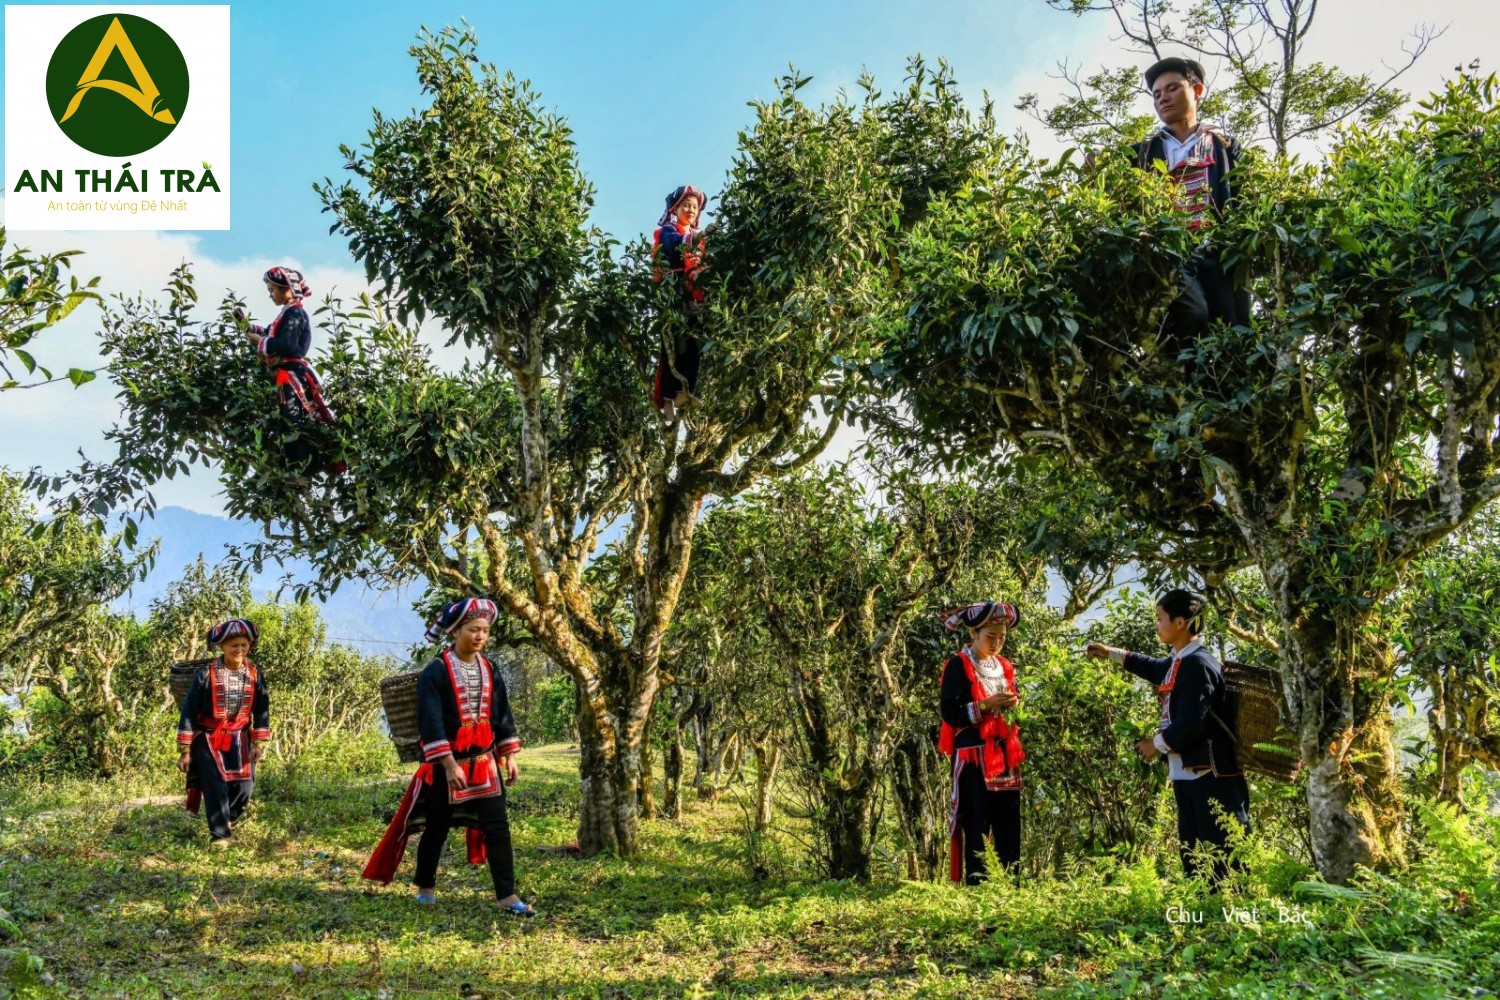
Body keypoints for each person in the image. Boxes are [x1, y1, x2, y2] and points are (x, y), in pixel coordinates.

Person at [363, 598, 532, 915]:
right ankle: (426, 885)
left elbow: (501, 714)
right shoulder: (435, 673)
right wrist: (449, 763)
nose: (480, 636)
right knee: (436, 827)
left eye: (484, 630)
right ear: (455, 631)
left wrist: (509, 755)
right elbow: (431, 721)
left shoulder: (490, 669)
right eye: (473, 629)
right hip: (446, 766)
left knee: (497, 827)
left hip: (484, 764)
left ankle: (507, 895)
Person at [1086, 588, 1250, 886]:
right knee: (1194, 853)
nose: (1157, 624)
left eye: (1160, 618)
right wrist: (1110, 653)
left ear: (1180, 622)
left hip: (1212, 775)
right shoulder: (1181, 661)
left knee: (1222, 854)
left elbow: (1191, 723)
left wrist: (1156, 745)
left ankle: (1233, 917)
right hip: (1191, 774)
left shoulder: (1198, 664)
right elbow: (1154, 667)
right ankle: (1204, 920)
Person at [1134, 56, 1251, 350]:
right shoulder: (1144, 152)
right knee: (1191, 313)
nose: (1163, 98)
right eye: (1157, 94)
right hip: (1172, 254)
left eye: (1172, 88)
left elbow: (1247, 194)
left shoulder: (1224, 146)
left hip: (1219, 252)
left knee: (1234, 333)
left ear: (1197, 91)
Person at [938, 601, 1025, 884]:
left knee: (1008, 822)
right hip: (973, 756)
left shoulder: (1004, 666)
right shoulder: (957, 666)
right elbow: (950, 713)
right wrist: (985, 706)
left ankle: (1011, 885)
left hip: (1004, 755)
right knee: (977, 823)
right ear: (973, 633)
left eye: (1002, 636)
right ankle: (979, 889)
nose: (997, 642)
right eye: (991, 636)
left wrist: (1013, 703)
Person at [234, 266, 340, 481]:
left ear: (287, 290)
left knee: (293, 422)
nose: (270, 293)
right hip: (288, 375)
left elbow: (287, 346)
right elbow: (271, 333)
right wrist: (246, 326)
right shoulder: (289, 312)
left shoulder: (294, 313)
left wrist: (261, 342)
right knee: (290, 421)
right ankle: (298, 469)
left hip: (292, 376)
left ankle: (300, 472)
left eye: (272, 289)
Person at [176, 618, 270, 847]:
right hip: (209, 737)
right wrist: (185, 750)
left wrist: (259, 745)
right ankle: (220, 835)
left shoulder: (255, 674)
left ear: (250, 645)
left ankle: (230, 819)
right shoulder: (205, 675)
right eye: (234, 645)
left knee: (244, 785)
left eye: (243, 645)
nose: (239, 650)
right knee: (215, 784)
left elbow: (262, 710)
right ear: (222, 647)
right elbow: (189, 711)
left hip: (241, 736)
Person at [652, 185, 707, 422]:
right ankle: (666, 399)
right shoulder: (669, 230)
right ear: (676, 208)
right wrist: (700, 236)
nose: (691, 210)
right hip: (673, 294)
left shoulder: (695, 237)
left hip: (692, 297)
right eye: (687, 205)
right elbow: (676, 245)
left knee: (694, 344)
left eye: (695, 207)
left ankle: (684, 392)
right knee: (673, 347)